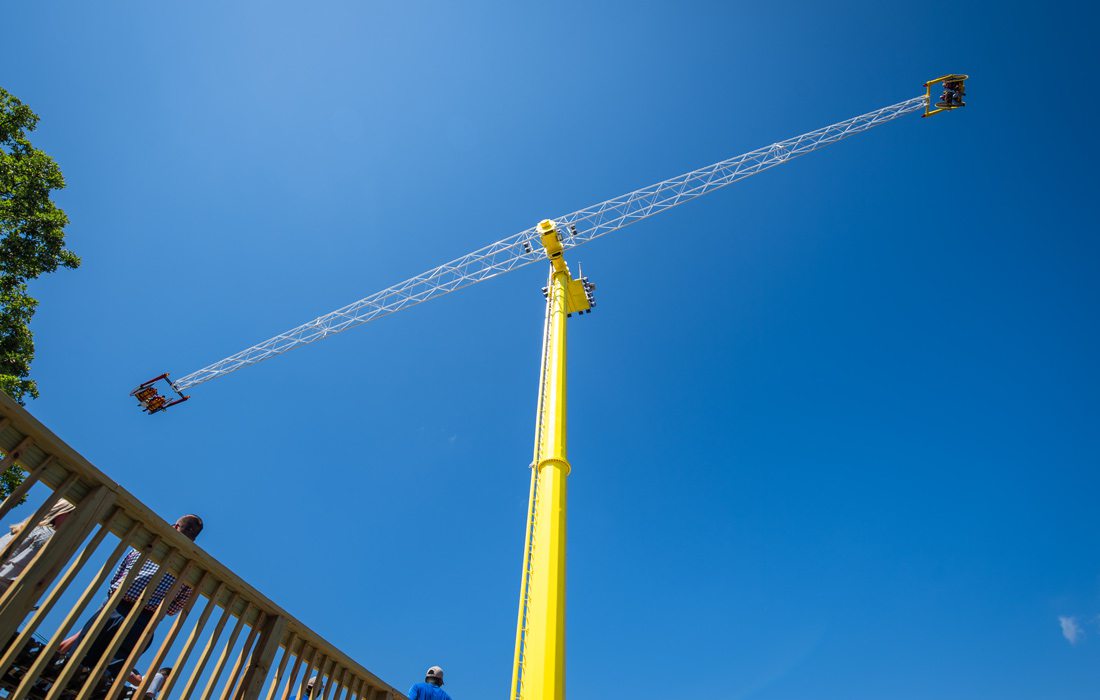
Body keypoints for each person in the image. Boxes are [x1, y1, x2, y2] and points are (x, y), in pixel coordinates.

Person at [61, 514, 204, 683]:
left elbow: (118, 577)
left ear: (174, 527)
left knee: (80, 657)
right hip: (143, 621)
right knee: (108, 671)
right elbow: (175, 607)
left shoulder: (146, 545)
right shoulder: (190, 568)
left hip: (118, 607)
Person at [0, 499, 76, 592]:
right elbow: (21, 569)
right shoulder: (48, 534)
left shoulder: (24, 528)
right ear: (61, 512)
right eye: (73, 515)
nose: (74, 521)